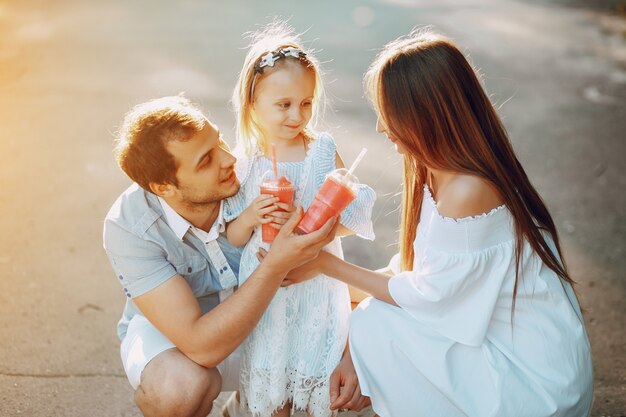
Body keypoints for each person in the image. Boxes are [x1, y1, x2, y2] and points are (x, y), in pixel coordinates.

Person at [263, 30, 594, 416]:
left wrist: (326, 266)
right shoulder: (436, 170)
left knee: (372, 322)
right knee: (344, 305)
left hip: (533, 383)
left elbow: (428, 299)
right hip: (490, 338)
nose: (380, 129)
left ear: (426, 115)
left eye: (390, 115)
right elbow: (415, 271)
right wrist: (330, 287)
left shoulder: (469, 189)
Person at [102, 95, 366, 417]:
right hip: (184, 341)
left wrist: (354, 351)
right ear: (163, 187)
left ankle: (243, 407)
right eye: (205, 161)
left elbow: (340, 230)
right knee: (177, 390)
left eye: (220, 142)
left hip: (270, 324)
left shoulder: (257, 172)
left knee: (378, 353)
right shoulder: (130, 227)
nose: (228, 160)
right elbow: (201, 346)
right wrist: (275, 264)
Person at [224, 22, 376, 417]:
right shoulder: (247, 162)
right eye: (284, 104)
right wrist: (251, 215)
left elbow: (354, 211)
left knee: (310, 390)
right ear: (253, 103)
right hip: (266, 296)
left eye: (306, 103)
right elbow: (233, 236)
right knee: (273, 394)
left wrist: (318, 227)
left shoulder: (322, 151)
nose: (297, 115)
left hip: (316, 292)